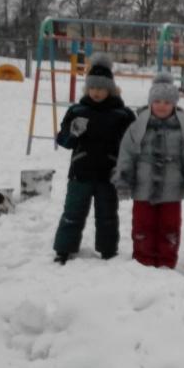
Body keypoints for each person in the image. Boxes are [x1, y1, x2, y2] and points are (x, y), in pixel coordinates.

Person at [113, 72, 184, 269]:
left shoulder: (182, 128)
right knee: (142, 225)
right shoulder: (138, 126)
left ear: (174, 104)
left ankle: (166, 260)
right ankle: (142, 261)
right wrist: (124, 179)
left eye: (167, 102)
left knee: (169, 227)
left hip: (172, 188)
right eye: (157, 101)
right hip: (143, 186)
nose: (162, 105)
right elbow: (127, 153)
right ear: (150, 102)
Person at [52, 53, 136, 264]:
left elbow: (133, 143)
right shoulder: (77, 110)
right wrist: (73, 132)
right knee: (73, 213)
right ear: (87, 88)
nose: (97, 92)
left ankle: (108, 250)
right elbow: (63, 140)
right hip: (80, 173)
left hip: (108, 175)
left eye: (101, 88)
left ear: (110, 89)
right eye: (93, 87)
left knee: (107, 215)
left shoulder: (122, 114)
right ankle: (64, 249)